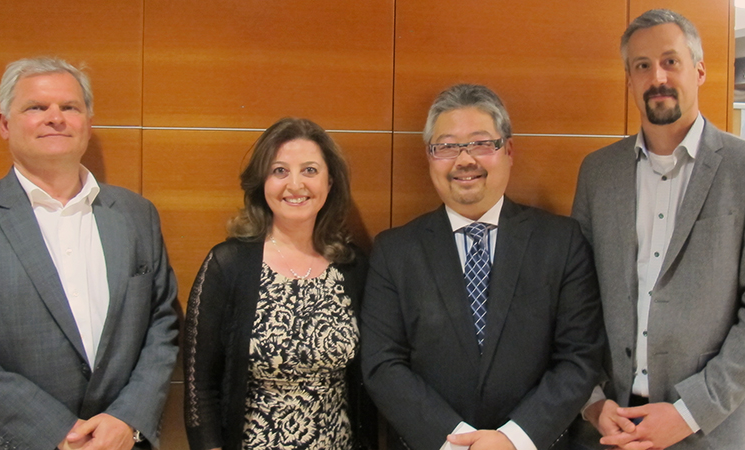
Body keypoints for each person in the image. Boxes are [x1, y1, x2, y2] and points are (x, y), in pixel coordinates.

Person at [0, 57, 179, 450]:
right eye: (36, 107)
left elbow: (163, 323)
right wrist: (57, 433)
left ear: (88, 122)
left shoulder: (137, 215)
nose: (55, 118)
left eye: (69, 107)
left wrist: (128, 417)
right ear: (4, 124)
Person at [360, 83, 605, 450]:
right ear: (429, 157)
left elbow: (579, 357)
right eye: (446, 146)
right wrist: (455, 443)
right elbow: (382, 365)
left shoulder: (561, 241)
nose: (464, 160)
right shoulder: (394, 251)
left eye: (480, 143)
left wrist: (512, 440)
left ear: (508, 150)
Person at [570, 9, 745, 450]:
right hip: (610, 428)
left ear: (700, 70)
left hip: (709, 429)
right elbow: (574, 299)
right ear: (629, 79)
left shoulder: (741, 169)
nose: (657, 76)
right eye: (642, 66)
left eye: (671, 61)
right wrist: (591, 400)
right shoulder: (598, 173)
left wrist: (689, 413)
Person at [183, 117, 375, 450]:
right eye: (280, 171)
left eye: (310, 170)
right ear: (262, 184)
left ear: (330, 184)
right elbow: (200, 386)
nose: (295, 184)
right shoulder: (228, 264)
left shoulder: (353, 267)